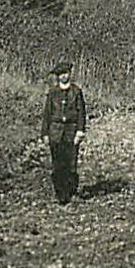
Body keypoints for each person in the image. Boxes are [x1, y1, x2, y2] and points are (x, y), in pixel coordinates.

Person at [40, 59, 87, 204]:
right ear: (57, 77)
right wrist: (45, 133)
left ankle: (71, 191)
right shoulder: (53, 93)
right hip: (56, 131)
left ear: (70, 74)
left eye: (66, 73)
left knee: (71, 162)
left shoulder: (76, 91)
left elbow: (81, 113)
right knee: (57, 163)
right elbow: (47, 113)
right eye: (61, 74)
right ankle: (60, 194)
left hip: (71, 131)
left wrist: (80, 130)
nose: (64, 77)